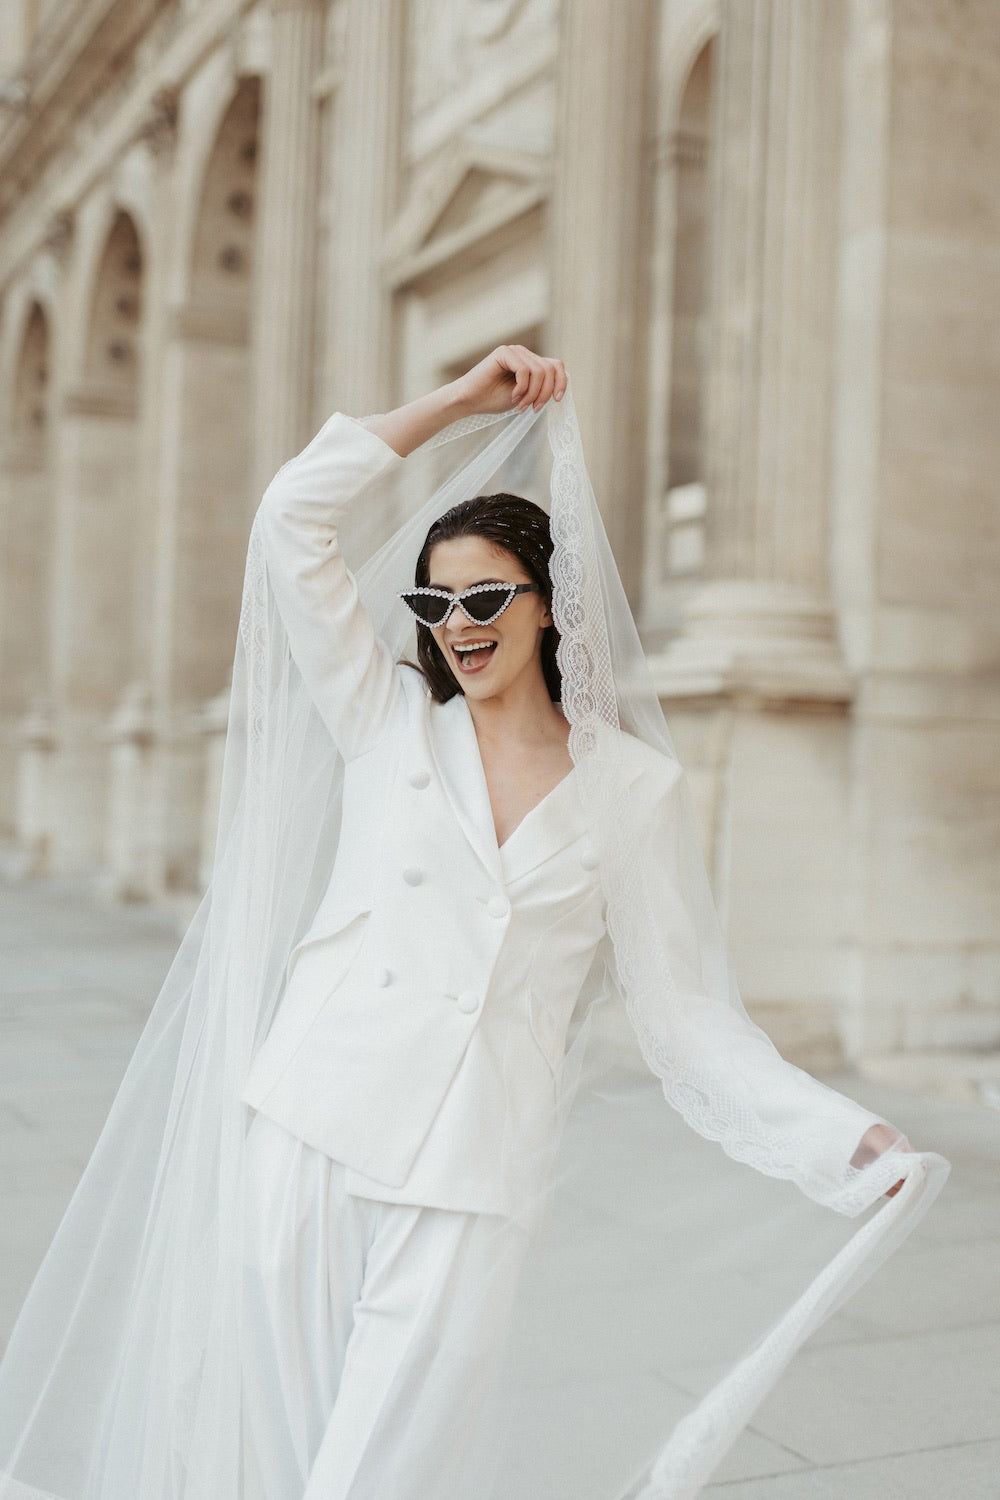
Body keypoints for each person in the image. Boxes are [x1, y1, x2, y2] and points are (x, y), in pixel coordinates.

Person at [0, 347, 947, 1500]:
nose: (459, 624)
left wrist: (836, 1137)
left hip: (472, 1174)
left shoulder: (632, 788)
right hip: (305, 1133)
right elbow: (290, 519)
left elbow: (682, 1015)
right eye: (433, 601)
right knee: (265, 1462)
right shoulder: (385, 719)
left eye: (488, 596)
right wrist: (453, 404)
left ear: (552, 604)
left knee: (372, 1482)